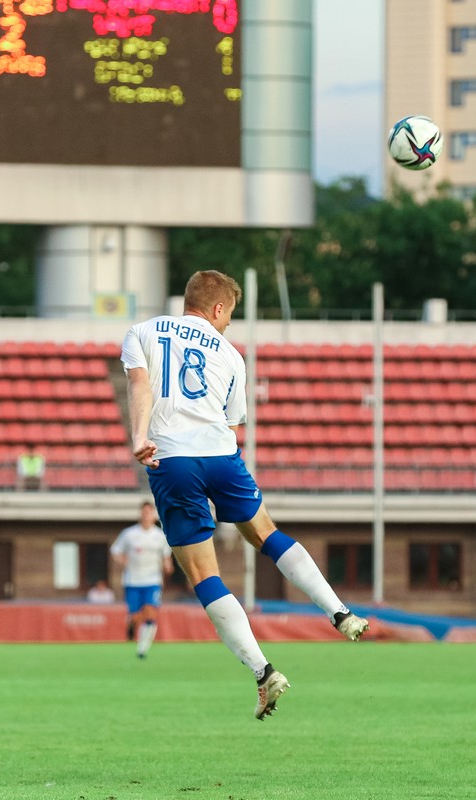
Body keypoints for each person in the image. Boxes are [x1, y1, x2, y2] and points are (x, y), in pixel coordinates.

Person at [122, 269, 369, 720]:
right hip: (221, 456)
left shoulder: (142, 332)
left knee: (202, 573)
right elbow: (235, 426)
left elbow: (140, 385)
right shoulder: (232, 356)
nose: (227, 324)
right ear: (218, 309)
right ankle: (339, 611)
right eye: (229, 316)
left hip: (172, 461)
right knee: (266, 533)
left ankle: (262, 671)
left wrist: (140, 437)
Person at [109, 500, 173, 659]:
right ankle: (131, 626)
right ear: (140, 514)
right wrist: (121, 560)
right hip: (132, 581)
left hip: (152, 580)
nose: (146, 516)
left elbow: (166, 555)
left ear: (153, 515)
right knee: (135, 616)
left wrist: (167, 565)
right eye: (144, 513)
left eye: (149, 513)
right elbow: (115, 550)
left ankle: (142, 649)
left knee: (151, 613)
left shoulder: (159, 536)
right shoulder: (129, 534)